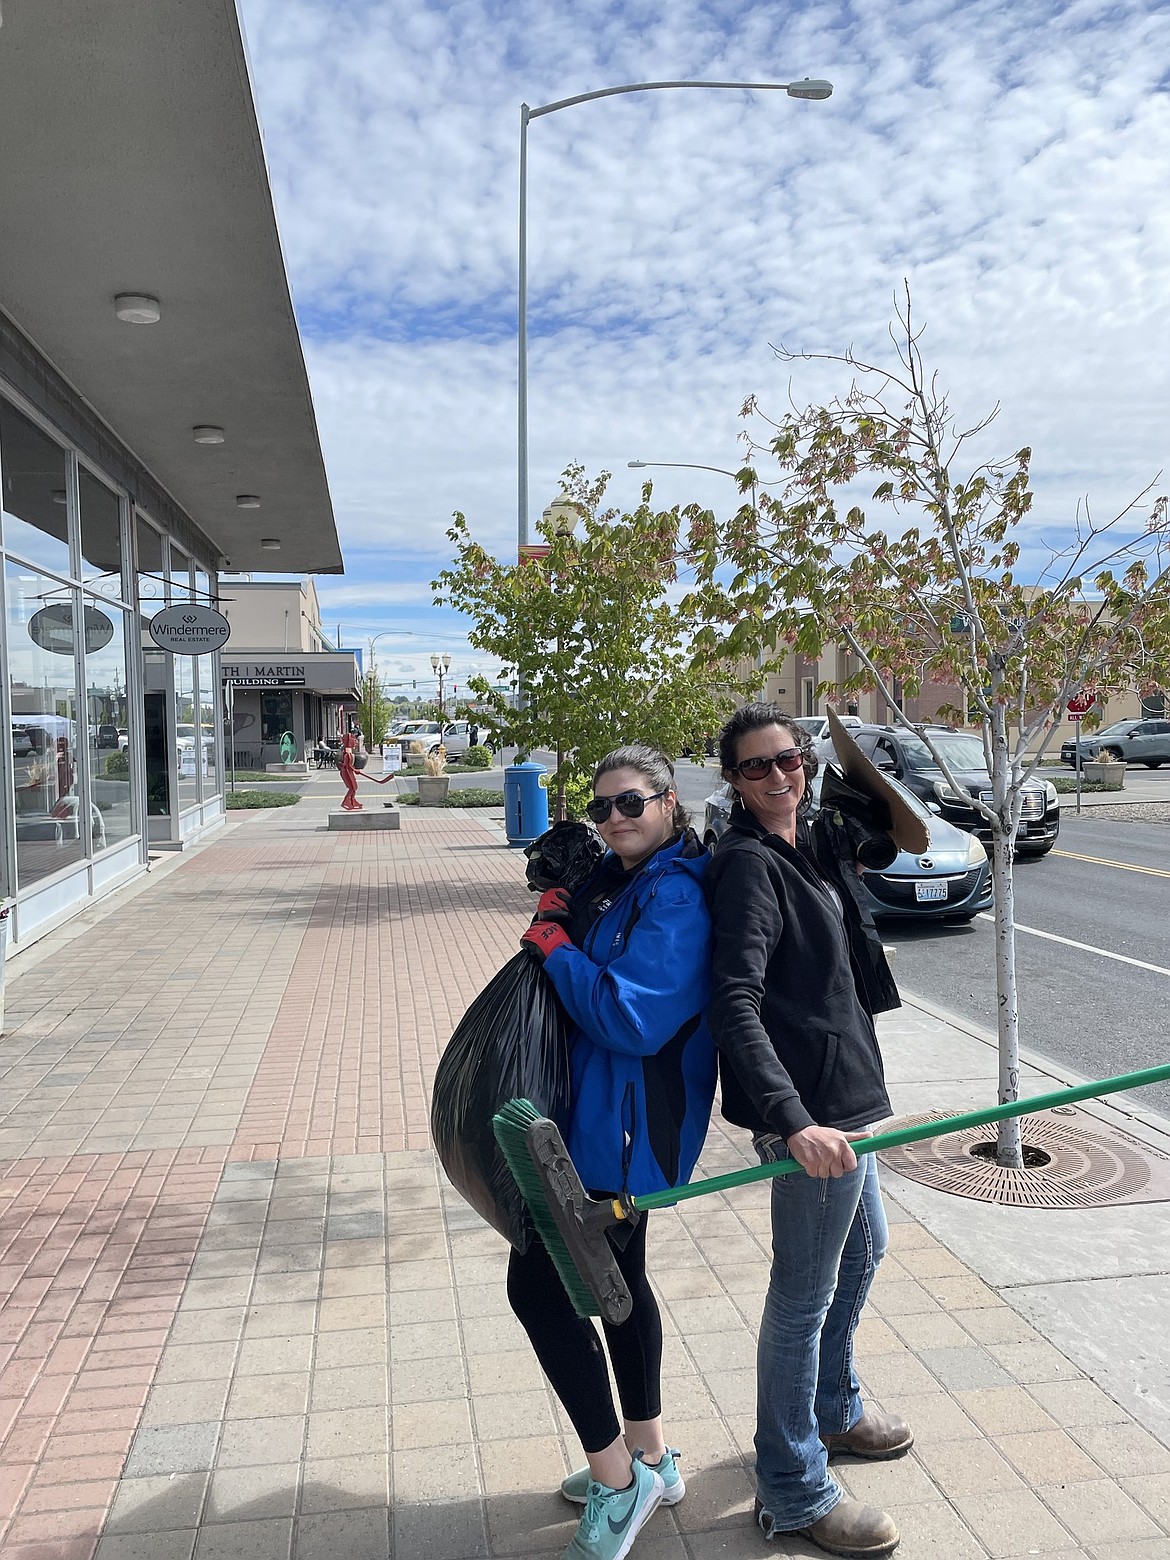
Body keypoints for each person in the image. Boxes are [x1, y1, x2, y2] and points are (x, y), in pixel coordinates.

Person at [705, 705, 910, 1560]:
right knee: (801, 1298)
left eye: (790, 759)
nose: (778, 775)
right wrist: (792, 1124)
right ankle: (792, 1487)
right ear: (733, 782)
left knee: (865, 1252)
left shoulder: (814, 843)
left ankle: (834, 1406)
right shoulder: (749, 867)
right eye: (757, 767)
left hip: (845, 1094)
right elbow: (734, 1002)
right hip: (811, 1115)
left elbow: (901, 832)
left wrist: (849, 764)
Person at [510, 744, 717, 1560]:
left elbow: (633, 1017)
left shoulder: (679, 898)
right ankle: (654, 1459)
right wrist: (567, 908)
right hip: (599, 1120)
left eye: (630, 803)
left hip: (622, 1136)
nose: (613, 820)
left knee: (541, 1290)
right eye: (602, 808)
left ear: (670, 801)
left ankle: (617, 1483)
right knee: (622, 1286)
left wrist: (557, 949)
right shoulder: (628, 879)